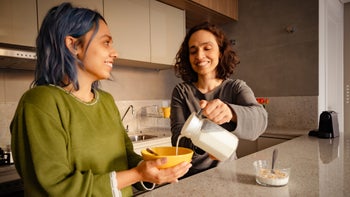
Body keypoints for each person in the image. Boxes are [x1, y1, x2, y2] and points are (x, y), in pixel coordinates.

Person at [10, 3, 191, 196]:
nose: (115, 53)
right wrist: (137, 174)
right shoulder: (40, 102)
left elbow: (126, 155)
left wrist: (149, 169)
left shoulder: (105, 100)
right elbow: (57, 186)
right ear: (73, 45)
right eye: (106, 42)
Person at [170, 22, 268, 177]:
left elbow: (260, 121)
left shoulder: (236, 88)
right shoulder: (182, 92)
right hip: (190, 175)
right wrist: (204, 142)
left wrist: (231, 113)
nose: (200, 56)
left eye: (207, 48)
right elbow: (177, 141)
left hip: (227, 173)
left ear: (221, 52)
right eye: (193, 51)